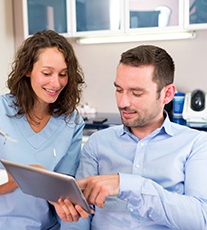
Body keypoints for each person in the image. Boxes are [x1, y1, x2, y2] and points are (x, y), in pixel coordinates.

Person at [56, 45, 207, 229]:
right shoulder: (98, 143)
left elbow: (201, 219)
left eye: (136, 93)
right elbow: (79, 216)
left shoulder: (195, 144)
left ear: (167, 94)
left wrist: (126, 185)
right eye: (119, 90)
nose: (123, 102)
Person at [0, 30, 85, 229]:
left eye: (63, 74)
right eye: (47, 73)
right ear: (28, 70)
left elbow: (64, 188)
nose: (56, 83)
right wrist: (33, 174)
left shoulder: (71, 121)